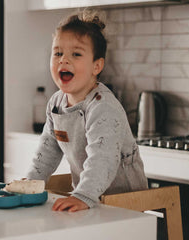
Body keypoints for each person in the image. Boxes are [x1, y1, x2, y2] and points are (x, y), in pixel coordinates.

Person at [26, 9, 148, 212]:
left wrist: (83, 195)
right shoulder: (56, 103)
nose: (64, 60)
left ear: (96, 66)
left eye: (76, 54)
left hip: (124, 201)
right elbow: (47, 150)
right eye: (57, 53)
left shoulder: (102, 107)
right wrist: (30, 183)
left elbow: (103, 158)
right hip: (91, 198)